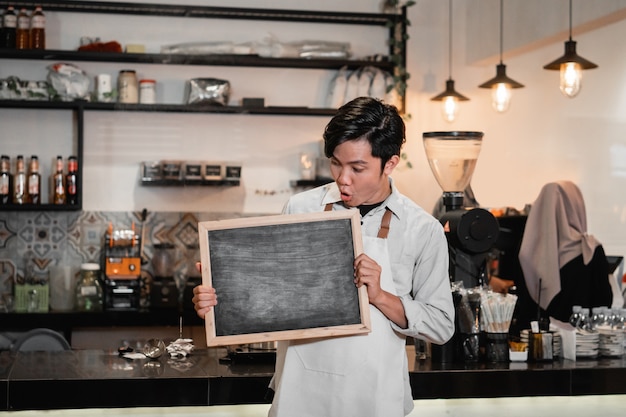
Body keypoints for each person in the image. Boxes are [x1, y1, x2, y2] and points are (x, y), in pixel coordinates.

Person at [192, 97, 455, 417]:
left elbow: (441, 326)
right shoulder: (301, 209)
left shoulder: (421, 229)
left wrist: (381, 296)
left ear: (390, 163)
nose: (343, 178)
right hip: (299, 395)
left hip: (374, 399)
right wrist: (223, 294)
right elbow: (274, 298)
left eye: (358, 168)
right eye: (336, 163)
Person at [518, 180, 612, 324]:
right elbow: (604, 302)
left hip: (535, 339)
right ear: (577, 206)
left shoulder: (526, 252)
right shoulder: (591, 249)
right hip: (584, 341)